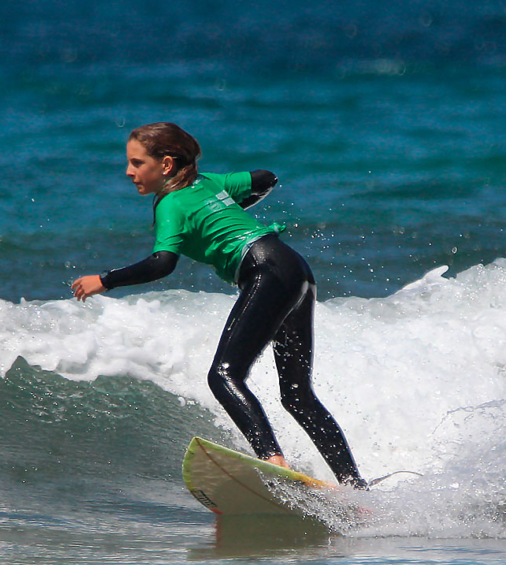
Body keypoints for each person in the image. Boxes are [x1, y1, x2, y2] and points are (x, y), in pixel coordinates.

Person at [71, 122, 367, 489]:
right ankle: (356, 488)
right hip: (294, 269)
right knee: (297, 396)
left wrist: (106, 280)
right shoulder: (209, 183)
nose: (129, 172)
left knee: (223, 375)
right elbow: (265, 178)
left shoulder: (171, 203)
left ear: (166, 165)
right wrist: (227, 210)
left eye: (137, 162)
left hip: (265, 270)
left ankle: (273, 462)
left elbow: (162, 263)